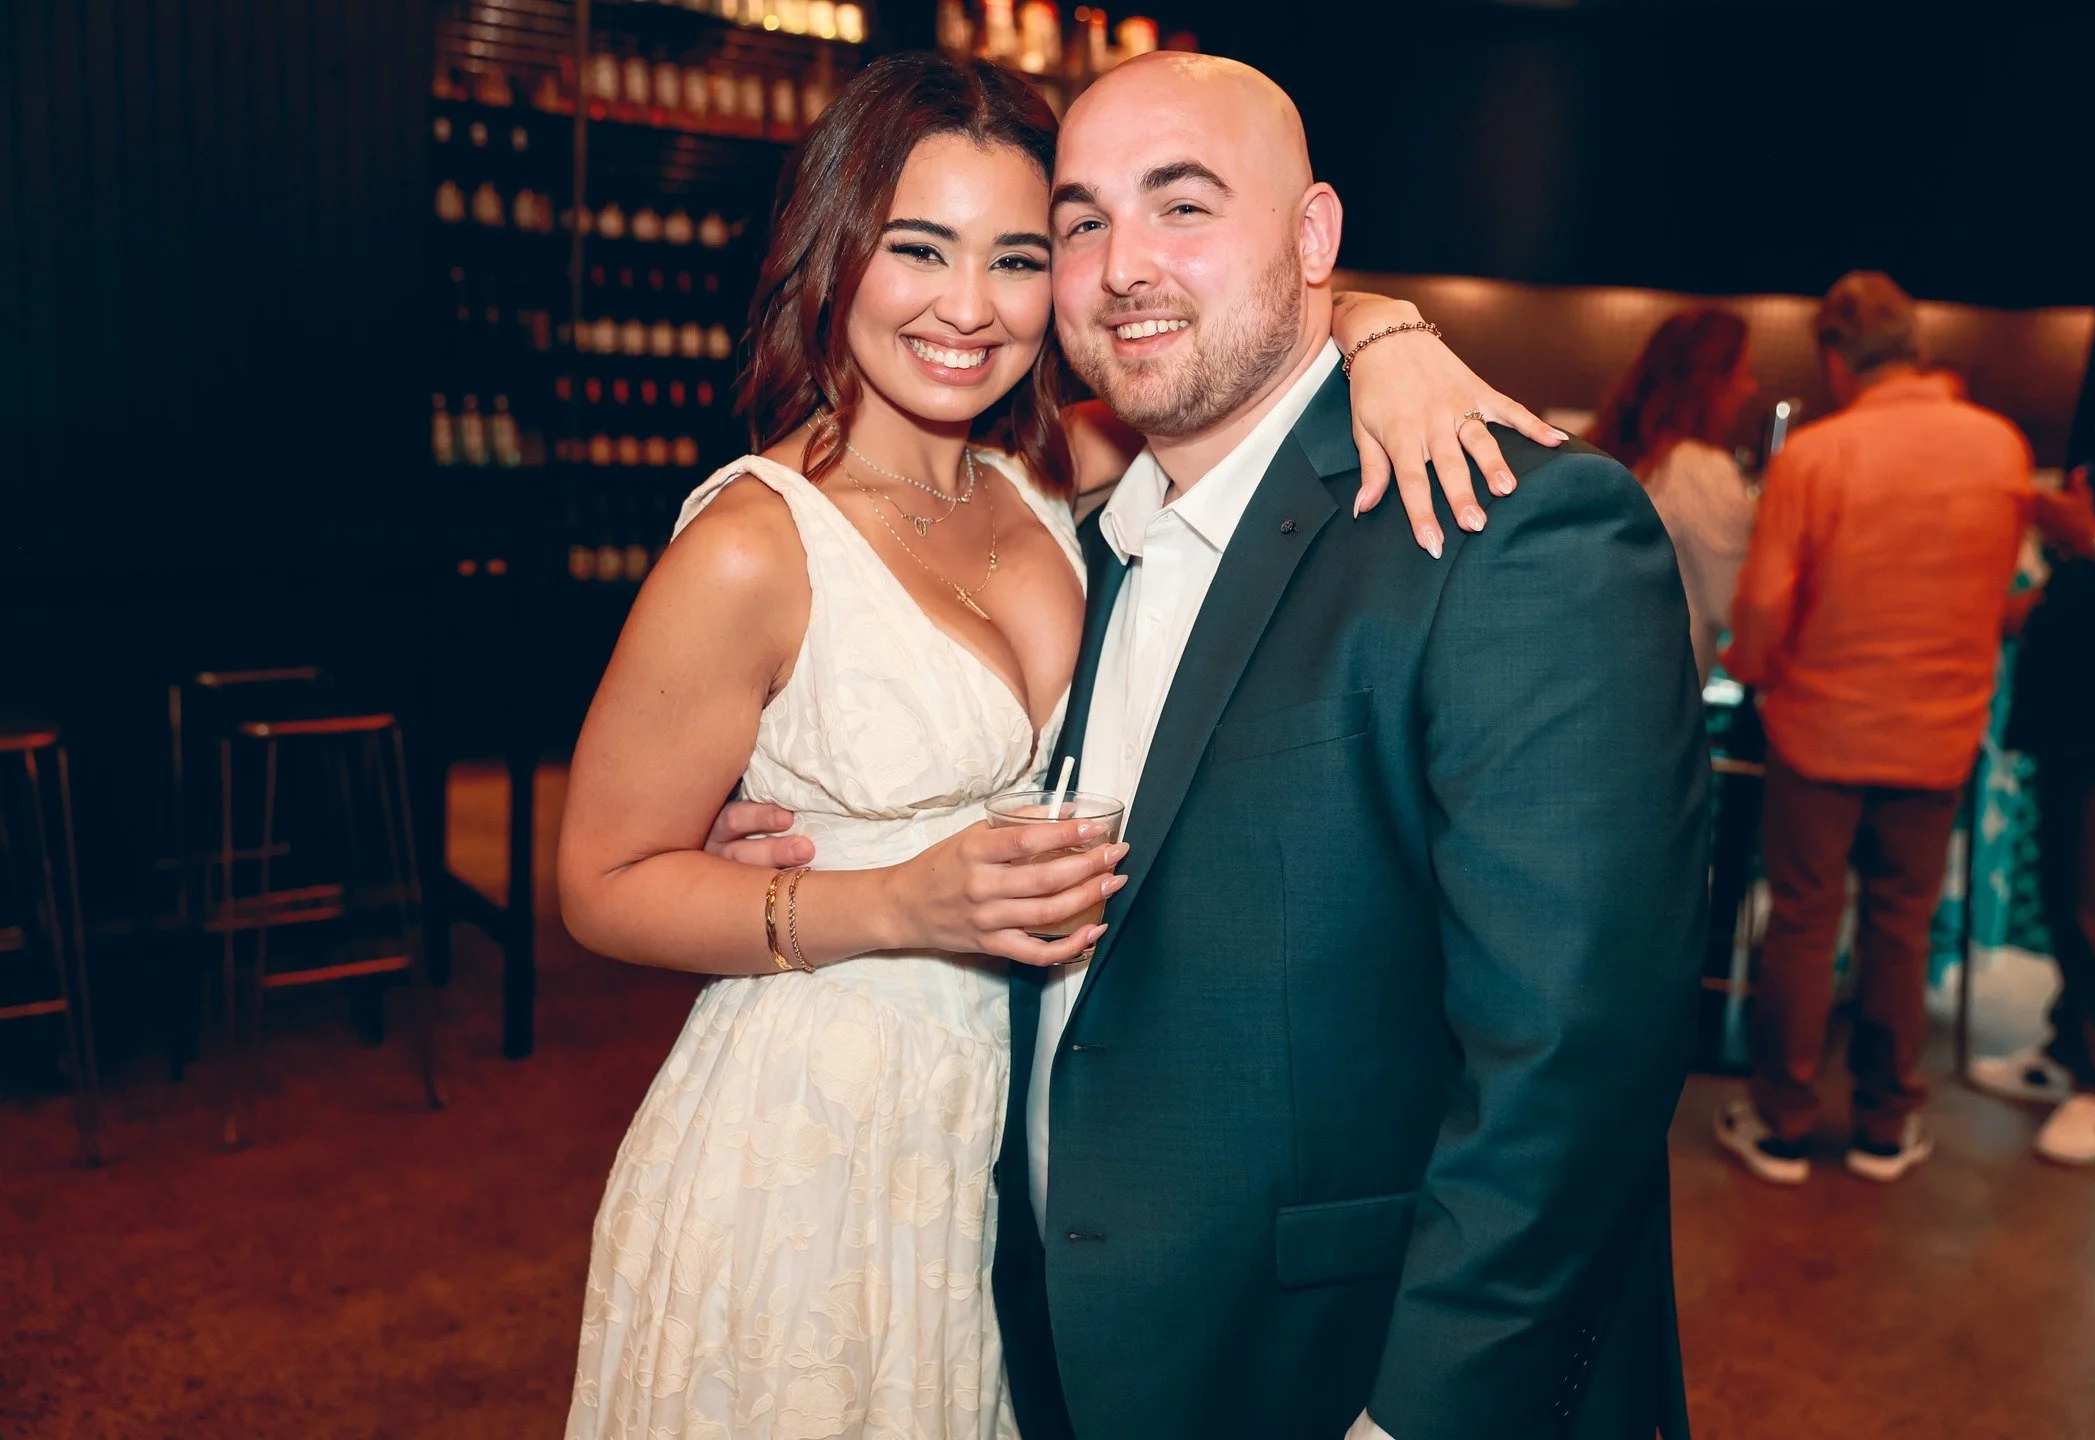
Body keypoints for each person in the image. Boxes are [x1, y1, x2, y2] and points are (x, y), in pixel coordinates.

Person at [553, 53, 1558, 1440]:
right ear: (835, 253)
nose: (968, 309)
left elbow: (1234, 360)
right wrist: (885, 897)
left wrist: (1386, 334)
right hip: (811, 1133)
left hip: (1011, 1145)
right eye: (918, 249)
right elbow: (600, 880)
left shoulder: (1044, 473)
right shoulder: (749, 548)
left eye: (1020, 256)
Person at [992, 54, 1707, 1440]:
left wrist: (1418, 1419)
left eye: (1182, 204)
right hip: (1081, 1358)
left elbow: (1572, 1060)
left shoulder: (1516, 532)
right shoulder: (1075, 548)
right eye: (1081, 222)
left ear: (1315, 238)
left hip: (1343, 1373)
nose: (1123, 264)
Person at [1715, 271, 2033, 1186]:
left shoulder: (1818, 455)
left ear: (1835, 356)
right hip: (1937, 737)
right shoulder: (1999, 447)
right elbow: (1994, 588)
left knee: (1805, 925)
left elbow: (1766, 608)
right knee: (1903, 924)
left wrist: (1752, 673)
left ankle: (1781, 1124)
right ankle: (1885, 1128)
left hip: (1820, 733)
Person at [1980, 320, 2095, 1164]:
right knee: (2064, 890)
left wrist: (2086, 533)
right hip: (2072, 721)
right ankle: (2064, 1052)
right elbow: (2088, 584)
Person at [1587, 309, 1759, 684]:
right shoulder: (1697, 467)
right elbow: (1732, 603)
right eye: (1743, 373)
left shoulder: (1612, 453)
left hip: (1598, 673)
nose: (1751, 388)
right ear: (1711, 381)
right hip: (1653, 690)